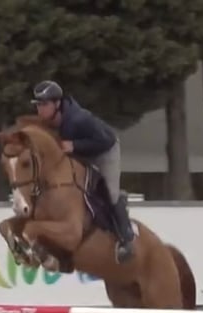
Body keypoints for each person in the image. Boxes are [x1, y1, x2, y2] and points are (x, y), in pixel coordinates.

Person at [30, 80, 135, 264]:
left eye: (44, 104)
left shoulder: (79, 119)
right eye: (38, 105)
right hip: (79, 153)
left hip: (105, 151)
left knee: (110, 193)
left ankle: (126, 238)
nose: (40, 110)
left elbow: (104, 141)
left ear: (57, 104)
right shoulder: (47, 122)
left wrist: (75, 145)